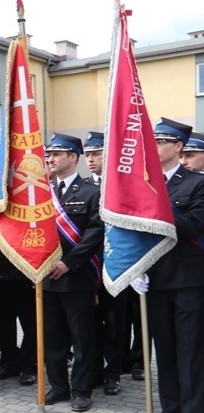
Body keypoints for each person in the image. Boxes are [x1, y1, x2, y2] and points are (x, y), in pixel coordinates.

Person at [134, 118, 204, 413]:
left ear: (178, 147)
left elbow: (193, 225)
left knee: (190, 349)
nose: (155, 146)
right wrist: (134, 268)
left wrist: (157, 205)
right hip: (154, 277)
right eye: (152, 140)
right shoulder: (142, 183)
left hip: (187, 278)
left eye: (161, 141)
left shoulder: (196, 183)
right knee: (163, 348)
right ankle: (170, 407)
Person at [43, 133, 104, 412]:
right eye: (49, 154)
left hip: (76, 276)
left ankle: (81, 389)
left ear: (73, 157)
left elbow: (95, 233)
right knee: (52, 337)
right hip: (45, 276)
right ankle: (58, 386)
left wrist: (69, 263)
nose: (51, 159)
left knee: (82, 338)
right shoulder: (41, 192)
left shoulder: (92, 192)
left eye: (57, 154)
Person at [82, 132, 130, 395]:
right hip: (88, 266)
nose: (90, 159)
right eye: (87, 155)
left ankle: (113, 372)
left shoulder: (121, 187)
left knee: (114, 322)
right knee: (89, 322)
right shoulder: (85, 188)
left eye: (96, 153)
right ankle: (95, 371)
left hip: (114, 263)